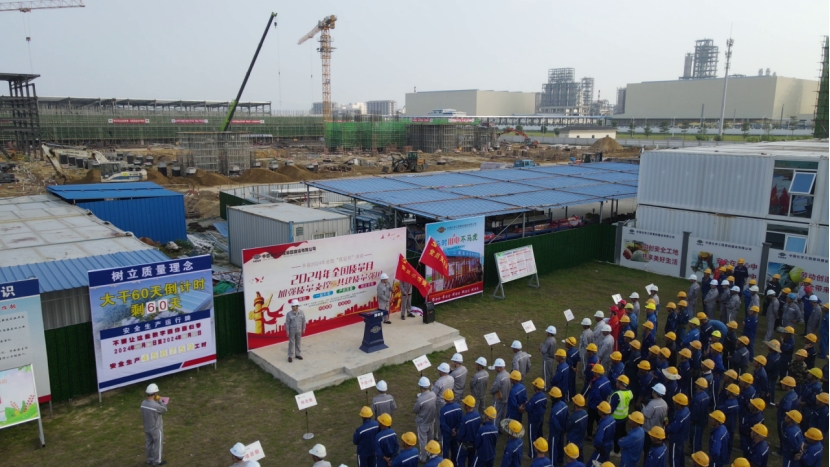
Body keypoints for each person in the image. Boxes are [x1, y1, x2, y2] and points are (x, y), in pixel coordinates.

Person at [141, 383, 167, 467]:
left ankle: (149, 460)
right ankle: (157, 462)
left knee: (149, 443)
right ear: (155, 394)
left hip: (147, 427)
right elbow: (164, 409)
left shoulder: (143, 403)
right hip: (156, 428)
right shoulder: (155, 405)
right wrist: (161, 401)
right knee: (157, 445)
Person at [608, 374, 633, 458]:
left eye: (617, 382)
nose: (616, 383)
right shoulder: (629, 392)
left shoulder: (617, 394)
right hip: (624, 416)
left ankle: (616, 451)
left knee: (616, 436)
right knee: (623, 432)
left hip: (616, 418)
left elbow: (611, 408)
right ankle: (625, 445)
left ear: (621, 384)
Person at [414, 377, 437, 462]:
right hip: (431, 420)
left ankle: (423, 457)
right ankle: (431, 454)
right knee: (430, 438)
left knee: (423, 441)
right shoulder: (433, 395)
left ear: (421, 387)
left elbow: (415, 410)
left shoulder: (420, 399)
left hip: (423, 422)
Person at [642, 383, 668, 454]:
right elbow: (666, 417)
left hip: (650, 431)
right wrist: (666, 422)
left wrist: (643, 409)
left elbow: (645, 415)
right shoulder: (665, 403)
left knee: (647, 449)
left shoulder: (652, 404)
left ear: (655, 393)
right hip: (659, 431)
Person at [455, 396, 480, 467]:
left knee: (460, 460)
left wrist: (458, 440)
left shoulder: (465, 418)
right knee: (471, 460)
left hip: (465, 443)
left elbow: (462, 433)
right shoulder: (478, 415)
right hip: (474, 443)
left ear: (467, 406)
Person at [665, 393, 690, 467]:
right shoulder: (686, 410)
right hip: (682, 437)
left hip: (676, 439)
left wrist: (667, 427)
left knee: (673, 458)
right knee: (680, 456)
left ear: (679, 404)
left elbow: (674, 428)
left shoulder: (680, 415)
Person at [776, 376, 799, 455]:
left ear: (787, 386)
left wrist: (780, 406)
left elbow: (786, 408)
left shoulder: (788, 397)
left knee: (782, 434)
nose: (782, 385)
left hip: (783, 418)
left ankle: (781, 451)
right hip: (790, 417)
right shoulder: (794, 394)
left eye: (783, 384)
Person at [526, 378, 547, 458]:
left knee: (532, 436)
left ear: (535, 387)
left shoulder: (534, 398)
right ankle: (540, 448)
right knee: (539, 434)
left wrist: (526, 404)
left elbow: (528, 408)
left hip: (533, 419)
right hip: (541, 418)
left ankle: (532, 453)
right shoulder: (544, 396)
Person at [548, 387, 568, 464]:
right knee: (560, 445)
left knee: (553, 448)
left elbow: (555, 424)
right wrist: (564, 429)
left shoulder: (554, 410)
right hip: (562, 430)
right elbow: (567, 418)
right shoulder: (564, 405)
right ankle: (560, 460)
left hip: (555, 432)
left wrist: (560, 430)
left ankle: (553, 463)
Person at [439, 390, 462, 461]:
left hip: (446, 434)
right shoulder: (458, 407)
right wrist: (455, 430)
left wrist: (450, 431)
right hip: (456, 433)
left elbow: (443, 424)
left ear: (445, 399)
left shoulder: (443, 410)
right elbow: (460, 421)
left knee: (445, 452)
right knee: (455, 450)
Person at [689, 378, 711, 453]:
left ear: (698, 386)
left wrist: (692, 420)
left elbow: (695, 411)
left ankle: (694, 451)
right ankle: (698, 447)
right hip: (702, 420)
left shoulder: (697, 398)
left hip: (696, 421)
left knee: (694, 437)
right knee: (699, 436)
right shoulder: (706, 395)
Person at [566, 394, 588, 463]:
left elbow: (567, 427)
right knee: (580, 454)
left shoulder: (574, 417)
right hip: (580, 439)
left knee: (571, 457)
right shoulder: (585, 413)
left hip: (573, 439)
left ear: (575, 404)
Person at [718, 383, 740, 450]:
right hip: (731, 424)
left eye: (728, 390)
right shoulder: (734, 401)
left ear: (731, 393)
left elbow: (721, 409)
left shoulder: (729, 403)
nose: (727, 391)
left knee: (726, 442)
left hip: (728, 424)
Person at [490, 358, 511, 426]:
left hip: (498, 400)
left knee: (495, 416)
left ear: (500, 368)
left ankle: (494, 429)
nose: (495, 368)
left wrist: (491, 391)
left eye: (496, 367)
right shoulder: (508, 374)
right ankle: (501, 429)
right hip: (506, 398)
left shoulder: (499, 377)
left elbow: (495, 388)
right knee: (503, 415)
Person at [763, 340, 781, 404]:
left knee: (770, 387)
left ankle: (770, 401)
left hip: (771, 374)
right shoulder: (776, 355)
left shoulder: (772, 358)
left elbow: (768, 368)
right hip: (774, 373)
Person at [541, 326, 558, 390]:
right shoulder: (554, 339)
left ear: (549, 333)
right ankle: (551, 384)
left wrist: (541, 348)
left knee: (546, 374)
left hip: (547, 359)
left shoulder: (548, 341)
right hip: (551, 358)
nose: (546, 332)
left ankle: (546, 387)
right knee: (550, 372)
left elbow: (543, 351)